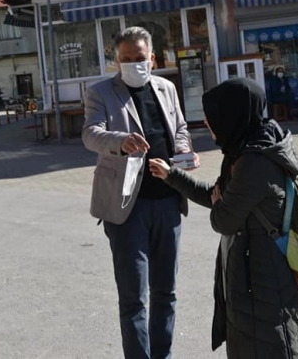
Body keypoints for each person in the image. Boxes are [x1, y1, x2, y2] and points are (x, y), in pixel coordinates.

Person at [149, 78, 298, 359]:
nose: (209, 127)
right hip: (249, 279)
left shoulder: (255, 161)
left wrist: (221, 203)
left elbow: (223, 220)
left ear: (231, 115)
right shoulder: (244, 149)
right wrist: (172, 175)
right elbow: (216, 197)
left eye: (212, 121)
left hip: (262, 282)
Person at [82, 26, 197, 359]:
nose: (134, 63)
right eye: (126, 59)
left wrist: (186, 155)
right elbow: (91, 134)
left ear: (154, 58)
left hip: (168, 202)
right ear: (116, 61)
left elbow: (180, 130)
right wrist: (120, 141)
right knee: (134, 299)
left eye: (140, 58)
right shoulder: (101, 92)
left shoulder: (167, 88)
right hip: (125, 209)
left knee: (166, 293)